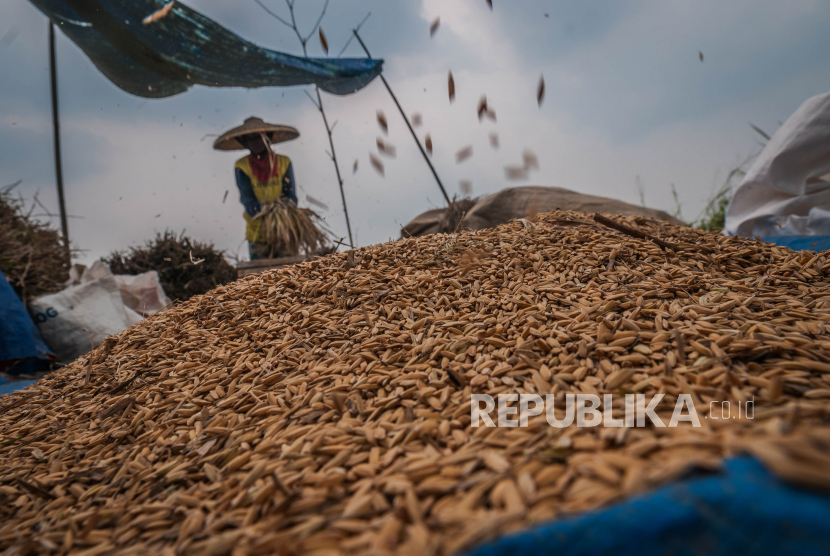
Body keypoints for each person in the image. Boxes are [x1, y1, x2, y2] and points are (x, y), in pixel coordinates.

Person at [213, 117, 300, 259]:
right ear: (244, 141)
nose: (255, 141)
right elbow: (247, 198)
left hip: (285, 230)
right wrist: (263, 212)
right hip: (257, 231)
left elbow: (290, 195)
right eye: (250, 138)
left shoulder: (284, 162)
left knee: (291, 272)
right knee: (260, 277)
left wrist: (283, 209)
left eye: (258, 137)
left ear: (268, 137)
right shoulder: (242, 166)